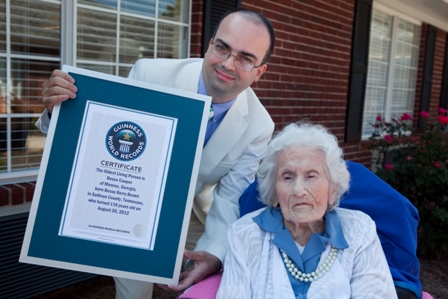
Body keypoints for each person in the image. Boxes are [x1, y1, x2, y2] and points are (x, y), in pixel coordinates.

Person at [37, 8, 276, 299]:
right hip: (131, 198)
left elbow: (229, 198)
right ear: (210, 43)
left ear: (260, 71)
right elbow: (101, 140)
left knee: (219, 280)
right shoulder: (150, 74)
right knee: (135, 292)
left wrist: (214, 255)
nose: (227, 63)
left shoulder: (259, 126)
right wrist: (59, 110)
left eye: (245, 58)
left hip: (193, 211)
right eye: (222, 47)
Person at [216, 122, 397, 298]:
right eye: (287, 177)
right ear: (274, 193)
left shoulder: (359, 230)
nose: (298, 190)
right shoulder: (244, 233)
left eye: (311, 176)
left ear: (332, 189)